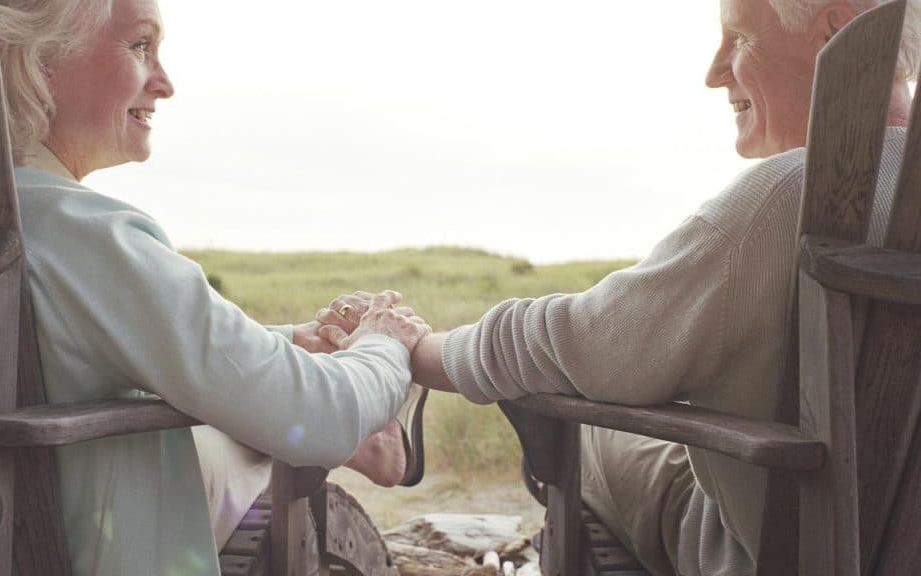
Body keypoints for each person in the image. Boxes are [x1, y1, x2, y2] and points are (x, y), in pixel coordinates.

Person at [318, 0, 920, 574]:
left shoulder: (781, 201)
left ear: (836, 35)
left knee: (596, 432)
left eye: (739, 38)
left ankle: (543, 484)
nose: (715, 74)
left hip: (772, 555)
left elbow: (575, 343)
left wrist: (406, 347)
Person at [0, 0, 431, 574]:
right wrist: (384, 343)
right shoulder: (87, 235)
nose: (166, 83)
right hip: (73, 546)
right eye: (139, 46)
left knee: (240, 401)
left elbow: (73, 342)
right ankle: (368, 438)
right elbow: (318, 416)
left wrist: (287, 341)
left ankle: (349, 424)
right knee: (260, 431)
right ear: (38, 58)